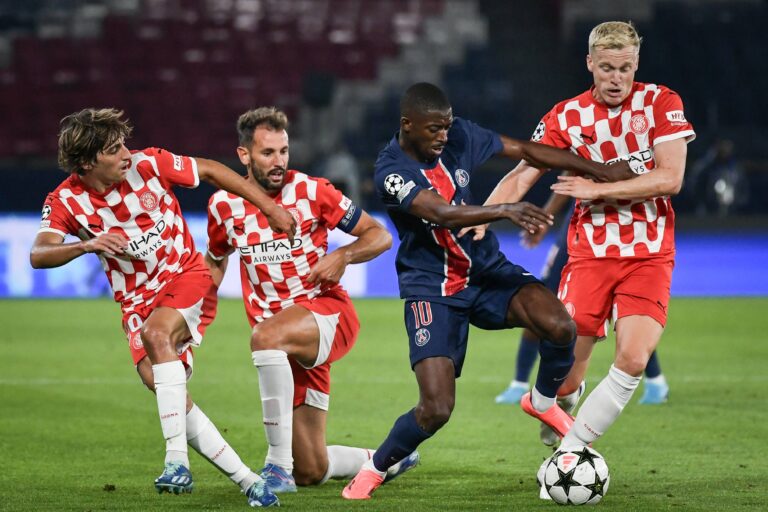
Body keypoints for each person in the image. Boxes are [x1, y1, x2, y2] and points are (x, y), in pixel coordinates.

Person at [341, 82, 632, 500]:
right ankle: (373, 468)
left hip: (485, 271)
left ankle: (543, 400)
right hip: (432, 289)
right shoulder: (391, 171)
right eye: (434, 130)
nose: (445, 136)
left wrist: (599, 170)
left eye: (447, 126)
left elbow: (529, 150)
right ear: (408, 125)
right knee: (436, 409)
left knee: (560, 326)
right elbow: (441, 213)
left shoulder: (458, 134)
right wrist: (505, 209)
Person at [30, 108, 297, 507]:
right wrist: (87, 244)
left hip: (186, 275)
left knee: (156, 336)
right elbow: (39, 254)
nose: (126, 154)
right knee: (167, 392)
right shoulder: (65, 200)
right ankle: (249, 483)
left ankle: (176, 460)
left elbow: (209, 170)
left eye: (124, 144)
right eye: (114, 149)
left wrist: (269, 207)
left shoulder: (149, 163)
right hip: (137, 303)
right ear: (87, 162)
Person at [481, 21, 694, 454]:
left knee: (633, 358)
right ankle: (555, 413)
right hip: (590, 256)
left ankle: (571, 452)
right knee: (567, 379)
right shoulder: (566, 116)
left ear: (636, 64)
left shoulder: (660, 102)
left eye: (626, 68)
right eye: (607, 68)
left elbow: (670, 178)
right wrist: (480, 219)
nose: (617, 78)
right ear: (590, 64)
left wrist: (597, 190)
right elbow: (523, 173)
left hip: (648, 254)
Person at [204, 107, 418, 495]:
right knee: (312, 468)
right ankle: (385, 458)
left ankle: (275, 466)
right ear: (244, 156)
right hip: (284, 344)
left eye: (283, 151)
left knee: (265, 337)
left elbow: (380, 235)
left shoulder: (312, 191)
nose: (279, 161)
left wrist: (343, 255)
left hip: (326, 315)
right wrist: (195, 311)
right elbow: (216, 259)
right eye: (268, 153)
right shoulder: (224, 205)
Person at [494, 190, 670, 408]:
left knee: (627, 314)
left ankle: (654, 378)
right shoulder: (580, 158)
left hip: (626, 227)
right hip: (584, 221)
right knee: (544, 297)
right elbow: (568, 175)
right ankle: (521, 381)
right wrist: (545, 217)